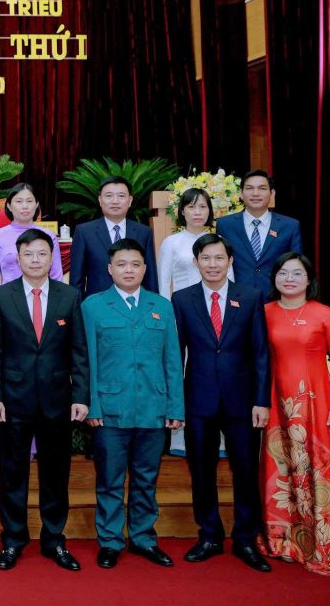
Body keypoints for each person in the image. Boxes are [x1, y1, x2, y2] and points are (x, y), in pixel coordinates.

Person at [0, 229, 89, 572]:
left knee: (55, 473)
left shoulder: (69, 296)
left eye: (42, 254)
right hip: (13, 399)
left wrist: (81, 395)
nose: (35, 260)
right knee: (12, 472)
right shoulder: (1, 297)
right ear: (18, 258)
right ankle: (13, 540)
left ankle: (54, 539)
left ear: (52, 258)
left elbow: (79, 350)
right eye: (28, 254)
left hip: (58, 399)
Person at [171, 234, 271, 572]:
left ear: (230, 261)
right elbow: (176, 354)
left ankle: (245, 539)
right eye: (205, 258)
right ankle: (210, 535)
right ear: (196, 262)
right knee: (202, 471)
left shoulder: (251, 296)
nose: (212, 265)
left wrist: (261, 400)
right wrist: (176, 402)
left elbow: (261, 353)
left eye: (218, 258)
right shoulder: (182, 299)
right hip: (198, 399)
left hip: (242, 401)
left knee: (245, 470)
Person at [82, 238, 184, 570]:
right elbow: (87, 361)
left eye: (136, 264)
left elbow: (172, 359)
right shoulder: (93, 306)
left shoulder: (161, 306)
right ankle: (110, 541)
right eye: (122, 264)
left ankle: (143, 538)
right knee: (110, 480)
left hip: (153, 408)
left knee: (145, 479)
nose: (129, 270)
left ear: (144, 269)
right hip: (110, 410)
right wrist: (92, 406)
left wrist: (175, 407)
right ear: (110, 269)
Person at [259, 252, 330, 576]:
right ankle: (285, 542)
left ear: (309, 280)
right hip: (276, 403)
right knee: (281, 470)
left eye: (297, 273)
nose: (289, 279)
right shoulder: (264, 313)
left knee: (318, 472)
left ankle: (324, 546)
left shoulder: (325, 315)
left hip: (317, 403)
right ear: (274, 277)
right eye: (283, 273)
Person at [216, 171, 303, 301]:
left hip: (277, 299)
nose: (255, 193)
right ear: (241, 193)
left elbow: (297, 266)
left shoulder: (289, 226)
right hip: (236, 299)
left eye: (262, 188)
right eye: (249, 188)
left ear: (272, 193)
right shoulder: (225, 225)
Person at [69, 176, 158, 297]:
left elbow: (150, 277)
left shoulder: (144, 232)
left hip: (135, 303)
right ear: (100, 200)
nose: (115, 201)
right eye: (109, 196)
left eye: (121, 196)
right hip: (98, 304)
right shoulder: (84, 232)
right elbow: (76, 280)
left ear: (130, 200)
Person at [157, 187, 229, 299]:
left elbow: (229, 277)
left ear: (209, 210)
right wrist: (166, 308)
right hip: (183, 304)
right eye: (191, 207)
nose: (197, 212)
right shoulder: (170, 242)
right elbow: (163, 283)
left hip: (215, 303)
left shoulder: (219, 241)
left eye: (202, 207)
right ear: (182, 211)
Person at [0, 183, 63, 287]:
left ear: (36, 205)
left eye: (29, 201)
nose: (25, 206)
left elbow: (57, 276)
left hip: (41, 295)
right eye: (19, 201)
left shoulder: (48, 235)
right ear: (9, 206)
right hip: (9, 294)